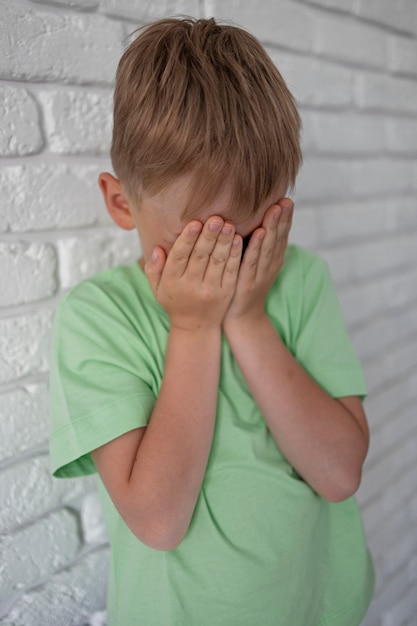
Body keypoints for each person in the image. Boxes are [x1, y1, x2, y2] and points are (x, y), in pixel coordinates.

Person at [49, 17, 374, 626]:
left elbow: (339, 473)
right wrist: (195, 329)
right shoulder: (98, 320)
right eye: (207, 242)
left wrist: (248, 320)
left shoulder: (298, 281)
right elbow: (159, 520)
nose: (233, 264)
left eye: (253, 235)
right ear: (123, 204)